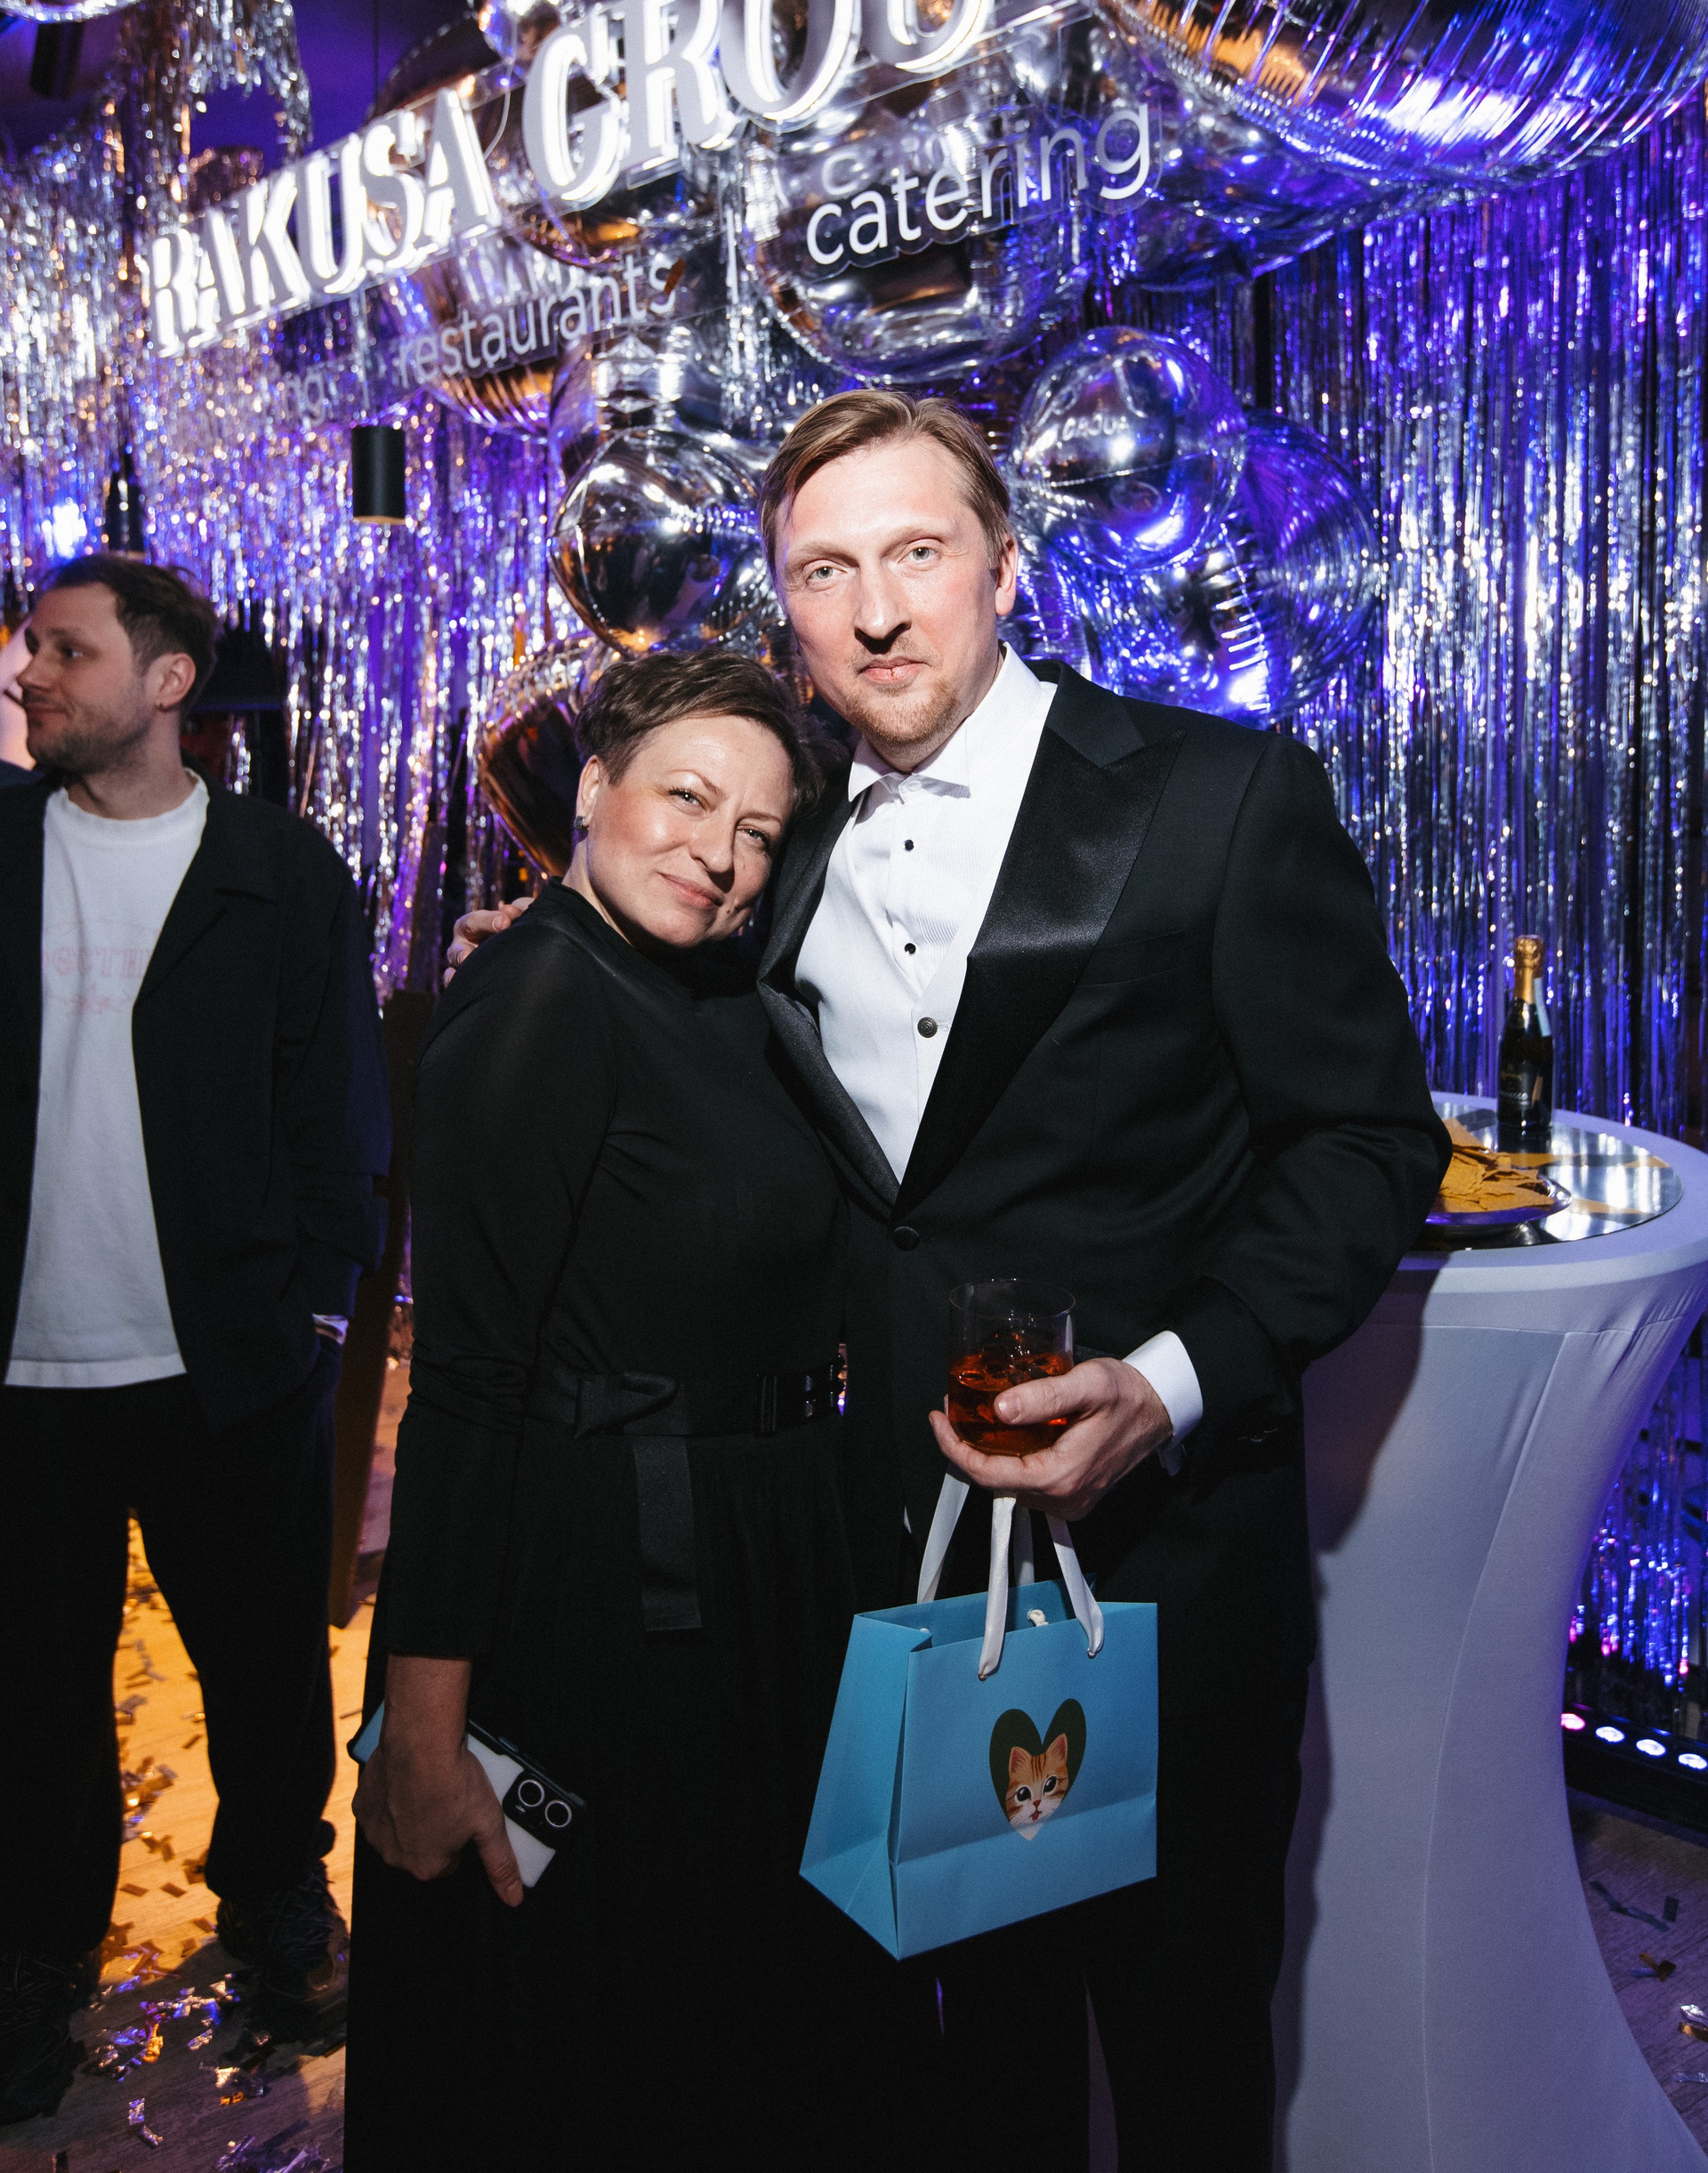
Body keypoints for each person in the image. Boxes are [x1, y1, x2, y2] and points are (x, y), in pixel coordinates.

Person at [452, 387, 1448, 2170]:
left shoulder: (1220, 798)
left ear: (1004, 566)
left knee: (1184, 2049)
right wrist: (553, 944)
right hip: (884, 1553)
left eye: (916, 552)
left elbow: (1368, 1144)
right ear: (785, 607)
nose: (877, 612)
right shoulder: (779, 835)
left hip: (1160, 1562)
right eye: (825, 572)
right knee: (966, 2056)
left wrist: (1174, 1381)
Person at [345, 648, 859, 2173]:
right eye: (687, 799)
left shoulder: (713, 983)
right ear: (592, 787)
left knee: (716, 2019)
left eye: (757, 831)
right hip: (600, 1594)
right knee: (597, 2040)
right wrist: (425, 1733)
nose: (719, 853)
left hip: (745, 1571)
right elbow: (467, 1390)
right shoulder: (539, 998)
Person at [0, 558, 390, 2123]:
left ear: (166, 682)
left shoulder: (278, 870)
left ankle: (278, 1902)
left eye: (65, 650)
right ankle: (36, 1956)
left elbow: (338, 1108)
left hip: (227, 1361)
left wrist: (314, 1312)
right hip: (23, 1374)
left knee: (264, 1667)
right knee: (32, 1690)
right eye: (29, 645)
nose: (28, 671)